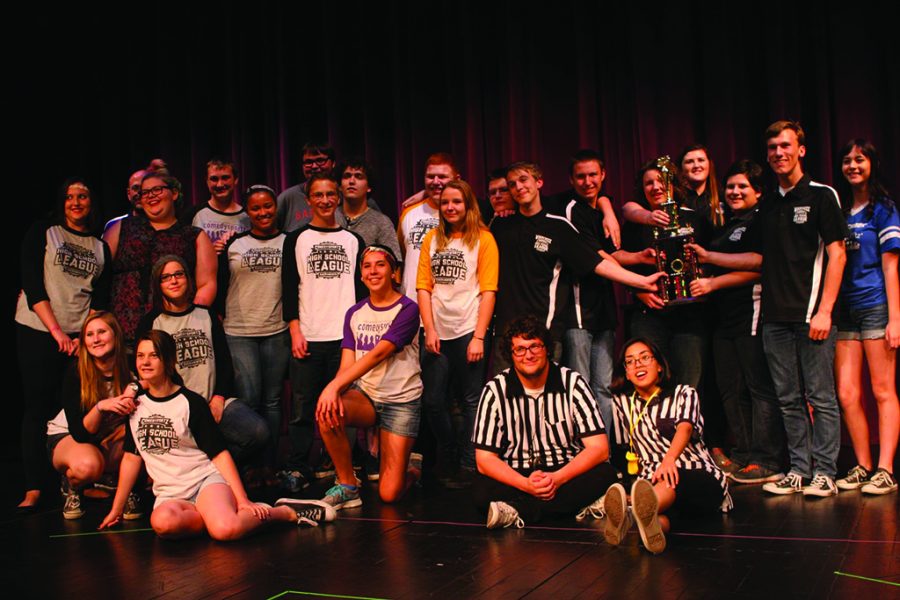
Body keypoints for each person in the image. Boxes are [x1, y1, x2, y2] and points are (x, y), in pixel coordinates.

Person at [99, 330, 335, 538]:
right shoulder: (135, 405)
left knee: (225, 530)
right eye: (141, 356)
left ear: (169, 361)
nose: (145, 362)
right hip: (171, 495)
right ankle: (213, 516)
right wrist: (116, 508)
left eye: (154, 355)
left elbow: (219, 454)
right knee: (162, 524)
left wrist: (242, 500)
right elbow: (132, 457)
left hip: (205, 481)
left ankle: (284, 512)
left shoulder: (190, 402)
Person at [489, 161, 663, 373]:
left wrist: (641, 281)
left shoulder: (558, 226)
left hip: (545, 333)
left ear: (539, 182)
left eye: (524, 180)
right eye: (512, 184)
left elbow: (597, 262)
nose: (519, 187)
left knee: (548, 402)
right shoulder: (499, 225)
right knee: (505, 400)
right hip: (505, 333)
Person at [757, 121, 848, 497]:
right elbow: (759, 259)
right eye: (773, 147)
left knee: (821, 396)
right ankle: (799, 468)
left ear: (801, 149)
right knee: (787, 398)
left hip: (812, 314)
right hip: (774, 317)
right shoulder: (767, 202)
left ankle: (825, 472)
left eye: (785, 145)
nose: (779, 153)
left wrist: (824, 310)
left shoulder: (822, 195)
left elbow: (837, 253)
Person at [687, 160, 785, 484]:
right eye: (730, 186)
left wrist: (713, 276)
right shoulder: (726, 223)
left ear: (758, 191)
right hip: (722, 316)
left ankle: (766, 458)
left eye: (742, 186)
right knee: (731, 388)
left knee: (759, 386)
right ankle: (743, 453)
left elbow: (759, 264)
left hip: (751, 311)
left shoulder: (760, 220)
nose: (735, 191)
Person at [16, 178, 111, 509]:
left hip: (80, 337)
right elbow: (32, 285)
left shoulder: (100, 246)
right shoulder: (45, 231)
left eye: (82, 196)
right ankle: (34, 487)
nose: (76, 202)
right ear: (62, 202)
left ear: (91, 201)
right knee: (37, 408)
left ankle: (73, 481)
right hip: (39, 330)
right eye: (69, 197)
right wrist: (57, 332)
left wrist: (83, 336)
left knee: (74, 407)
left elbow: (99, 298)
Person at [471, 315, 617, 529]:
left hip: (564, 471)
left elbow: (599, 449)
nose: (528, 355)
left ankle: (517, 511)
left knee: (606, 474)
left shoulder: (573, 383)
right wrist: (525, 485)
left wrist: (557, 479)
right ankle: (577, 507)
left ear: (547, 349)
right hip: (517, 474)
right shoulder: (495, 390)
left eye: (534, 347)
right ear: (510, 355)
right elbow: (484, 459)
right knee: (480, 490)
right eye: (519, 349)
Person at [315, 245, 423, 508]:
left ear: (393, 272)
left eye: (380, 264)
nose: (373, 271)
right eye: (367, 266)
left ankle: (412, 468)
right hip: (368, 397)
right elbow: (347, 364)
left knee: (389, 494)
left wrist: (332, 386)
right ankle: (348, 485)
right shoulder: (354, 313)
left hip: (401, 401)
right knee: (327, 410)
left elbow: (377, 354)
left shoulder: (408, 309)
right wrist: (334, 392)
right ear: (361, 276)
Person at [138, 255, 269, 469]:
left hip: (213, 402)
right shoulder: (152, 322)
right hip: (178, 408)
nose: (174, 280)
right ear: (158, 285)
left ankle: (209, 470)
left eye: (178, 274)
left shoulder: (206, 315)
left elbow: (225, 362)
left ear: (188, 279)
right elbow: (146, 371)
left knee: (257, 432)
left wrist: (218, 398)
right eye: (166, 277)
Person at [280, 173, 367, 491]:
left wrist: (358, 336)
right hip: (310, 335)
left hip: (345, 339)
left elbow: (361, 295)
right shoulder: (296, 239)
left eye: (332, 194)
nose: (326, 200)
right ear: (309, 200)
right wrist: (295, 331)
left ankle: (342, 464)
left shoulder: (354, 241)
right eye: (319, 195)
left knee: (343, 405)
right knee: (303, 406)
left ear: (339, 198)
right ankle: (299, 466)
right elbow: (289, 289)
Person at [607, 338, 731, 554]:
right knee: (660, 520)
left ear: (659, 366)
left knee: (670, 478)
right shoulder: (621, 403)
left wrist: (669, 460)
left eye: (645, 358)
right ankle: (648, 524)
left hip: (696, 475)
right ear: (626, 373)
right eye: (630, 361)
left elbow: (685, 428)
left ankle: (631, 512)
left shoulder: (684, 393)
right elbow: (623, 447)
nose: (638, 365)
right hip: (652, 484)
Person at [417, 180, 499, 488]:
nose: (451, 207)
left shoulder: (484, 240)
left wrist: (479, 336)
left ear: (468, 205)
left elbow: (489, 290)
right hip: (437, 330)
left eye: (457, 202)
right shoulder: (431, 239)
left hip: (469, 328)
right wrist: (429, 328)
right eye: (446, 202)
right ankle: (448, 451)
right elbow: (423, 287)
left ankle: (468, 462)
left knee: (471, 400)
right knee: (433, 400)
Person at [833, 139, 899, 495]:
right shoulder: (840, 210)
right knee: (846, 393)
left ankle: (886, 468)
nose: (853, 166)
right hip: (844, 309)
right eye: (846, 160)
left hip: (875, 304)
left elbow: (891, 269)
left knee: (882, 389)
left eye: (859, 159)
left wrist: (896, 318)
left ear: (872, 163)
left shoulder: (883, 209)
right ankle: (863, 464)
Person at [215, 184, 290, 481]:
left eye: (267, 206)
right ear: (248, 212)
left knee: (272, 401)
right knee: (249, 400)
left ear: (275, 207)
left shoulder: (289, 242)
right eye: (256, 208)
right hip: (239, 332)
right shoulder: (234, 244)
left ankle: (269, 465)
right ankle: (249, 466)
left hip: (276, 330)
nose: (263, 212)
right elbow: (221, 286)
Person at [618, 160, 709, 388]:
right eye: (649, 183)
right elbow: (615, 261)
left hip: (689, 313)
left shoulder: (695, 218)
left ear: (672, 184)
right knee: (649, 383)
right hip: (649, 313)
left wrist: (703, 280)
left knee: (689, 384)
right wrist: (638, 290)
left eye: (660, 181)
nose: (655, 187)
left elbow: (712, 259)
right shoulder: (635, 223)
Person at [46, 312, 142, 519]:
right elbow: (80, 433)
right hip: (69, 436)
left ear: (115, 335)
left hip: (107, 435)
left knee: (143, 433)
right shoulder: (76, 371)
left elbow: (160, 382)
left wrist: (134, 388)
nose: (96, 339)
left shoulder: (131, 364)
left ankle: (126, 488)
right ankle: (73, 485)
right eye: (89, 335)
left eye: (101, 332)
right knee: (89, 466)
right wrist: (100, 407)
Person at [104, 170, 216, 343]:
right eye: (145, 192)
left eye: (157, 190)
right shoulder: (121, 228)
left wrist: (188, 322)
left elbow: (207, 284)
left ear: (174, 193)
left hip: (171, 335)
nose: (151, 196)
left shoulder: (193, 236)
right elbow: (101, 276)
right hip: (121, 332)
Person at [398, 153, 460, 300]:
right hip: (413, 304)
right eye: (430, 177)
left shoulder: (465, 213)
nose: (436, 181)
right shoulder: (409, 213)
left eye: (442, 177)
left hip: (451, 306)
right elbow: (401, 255)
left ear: (457, 179)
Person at [335, 157, 402, 256]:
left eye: (358, 176)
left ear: (369, 187)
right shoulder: (330, 217)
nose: (351, 181)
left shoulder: (381, 222)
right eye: (347, 176)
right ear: (340, 186)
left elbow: (394, 263)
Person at [184, 159, 251, 254]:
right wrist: (208, 252)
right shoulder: (193, 214)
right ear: (207, 182)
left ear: (235, 180)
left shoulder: (248, 216)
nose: (220, 184)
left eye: (225, 178)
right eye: (214, 179)